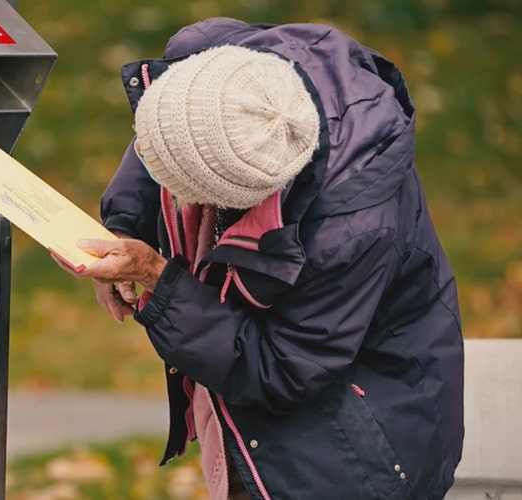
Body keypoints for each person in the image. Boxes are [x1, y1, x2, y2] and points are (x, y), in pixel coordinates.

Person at [53, 17, 464, 500]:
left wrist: (156, 276)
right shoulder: (217, 69)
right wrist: (125, 223)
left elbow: (281, 368)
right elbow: (167, 135)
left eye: (175, 181)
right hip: (277, 407)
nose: (142, 153)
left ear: (230, 199)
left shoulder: (349, 233)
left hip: (351, 452)